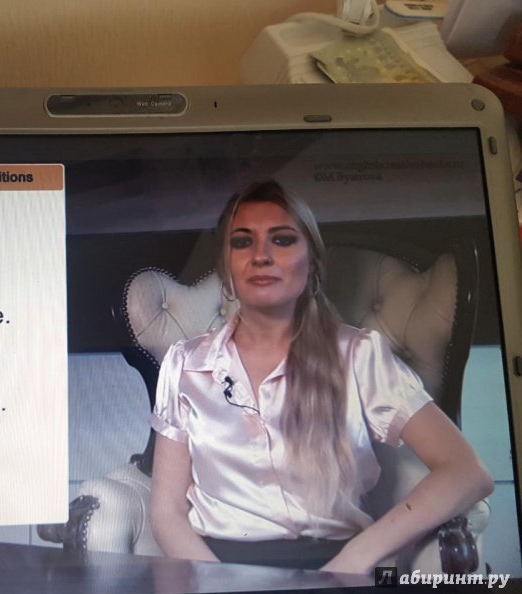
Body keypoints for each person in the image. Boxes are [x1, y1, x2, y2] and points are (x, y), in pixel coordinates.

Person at [149, 180, 494, 573]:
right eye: (242, 242)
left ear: (311, 262)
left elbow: (467, 472)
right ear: (226, 267)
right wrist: (217, 584)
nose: (261, 256)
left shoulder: (359, 356)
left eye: (281, 240)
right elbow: (166, 513)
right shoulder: (185, 364)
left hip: (336, 569)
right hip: (218, 570)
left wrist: (359, 556)